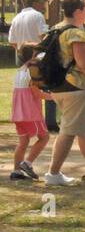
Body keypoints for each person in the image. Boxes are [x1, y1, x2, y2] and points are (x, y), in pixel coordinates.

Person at [40, 0, 85, 186]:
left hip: (58, 85)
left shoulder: (56, 28)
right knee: (69, 130)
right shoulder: (76, 34)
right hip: (75, 87)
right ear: (79, 11)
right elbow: (84, 64)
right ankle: (53, 173)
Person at [10, 0, 55, 134]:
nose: (44, 7)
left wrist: (20, 49)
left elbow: (12, 41)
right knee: (47, 87)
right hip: (37, 56)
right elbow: (43, 38)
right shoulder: (37, 15)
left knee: (25, 87)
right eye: (43, 4)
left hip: (22, 56)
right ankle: (50, 122)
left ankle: (28, 116)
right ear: (36, 3)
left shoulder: (16, 17)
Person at [9, 45, 50, 180]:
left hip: (18, 114)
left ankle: (16, 171)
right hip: (30, 113)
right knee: (44, 137)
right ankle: (27, 163)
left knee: (23, 141)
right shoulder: (31, 72)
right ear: (33, 56)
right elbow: (37, 94)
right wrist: (56, 96)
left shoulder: (19, 71)